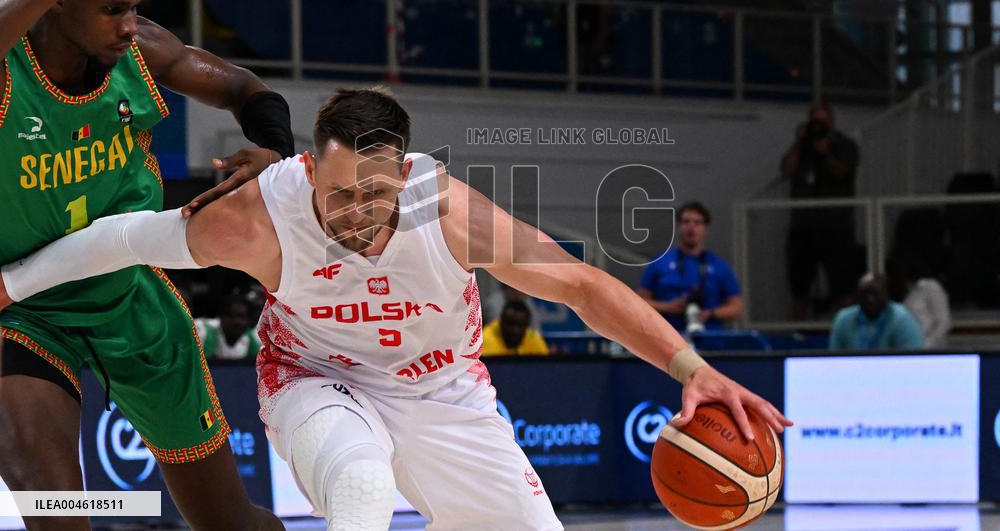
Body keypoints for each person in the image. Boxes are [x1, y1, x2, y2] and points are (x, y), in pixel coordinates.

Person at [0, 88, 791, 531]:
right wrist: (11, 286)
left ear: (405, 172)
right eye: (338, 192)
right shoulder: (258, 218)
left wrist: (693, 367)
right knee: (362, 487)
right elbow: (125, 238)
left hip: (444, 388)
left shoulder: (449, 211)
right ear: (308, 167)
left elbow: (583, 286)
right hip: (314, 378)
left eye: (374, 193)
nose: (353, 211)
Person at [0, 0, 291, 530]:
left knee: (228, 522)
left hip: (129, 297)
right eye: (112, 9)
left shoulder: (143, 52)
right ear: (59, 1)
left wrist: (273, 148)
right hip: (22, 311)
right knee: (59, 517)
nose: (131, 25)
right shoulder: (9, 71)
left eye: (136, 5)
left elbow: (247, 89)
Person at [781, 102, 860, 317]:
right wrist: (800, 141)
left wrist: (825, 151)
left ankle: (848, 333)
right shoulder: (802, 147)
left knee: (843, 286)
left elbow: (842, 172)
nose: (818, 126)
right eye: (815, 121)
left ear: (831, 123)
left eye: (823, 121)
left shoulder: (845, 145)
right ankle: (797, 335)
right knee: (799, 287)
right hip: (803, 227)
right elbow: (786, 170)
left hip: (836, 226)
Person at [636, 202, 743, 333]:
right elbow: (640, 302)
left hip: (710, 341)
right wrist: (668, 307)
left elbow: (737, 308)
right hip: (668, 338)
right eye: (686, 222)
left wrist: (710, 313)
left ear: (706, 228)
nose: (691, 227)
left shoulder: (719, 265)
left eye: (697, 223)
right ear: (679, 226)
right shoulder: (660, 262)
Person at [829, 273, 924, 351]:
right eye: (865, 293)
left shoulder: (902, 319)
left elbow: (912, 360)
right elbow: (834, 359)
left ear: (886, 294)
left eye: (875, 294)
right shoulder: (844, 319)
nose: (870, 299)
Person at [886, 256, 951, 349]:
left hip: (930, 348)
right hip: (907, 346)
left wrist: (927, 344)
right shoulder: (903, 292)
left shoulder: (930, 286)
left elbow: (943, 322)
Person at [196, 291, 262, 361]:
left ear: (249, 321)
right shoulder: (202, 333)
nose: (236, 321)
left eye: (241, 316)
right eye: (230, 316)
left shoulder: (256, 339)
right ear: (221, 317)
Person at [481, 300, 550, 356]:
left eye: (520, 325)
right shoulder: (486, 337)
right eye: (510, 324)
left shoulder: (533, 337)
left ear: (526, 325)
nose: (515, 330)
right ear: (501, 321)